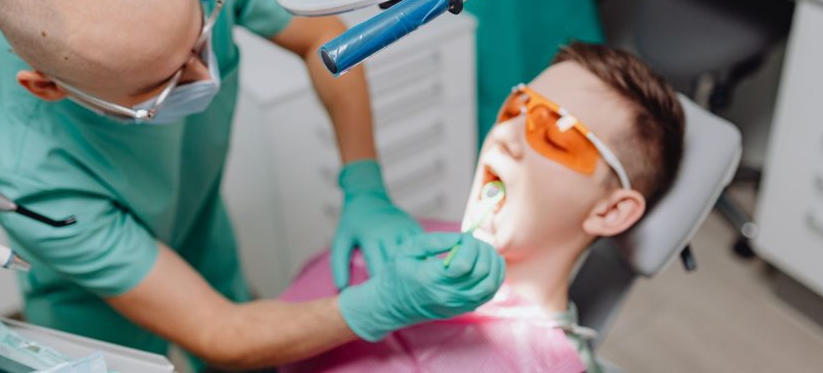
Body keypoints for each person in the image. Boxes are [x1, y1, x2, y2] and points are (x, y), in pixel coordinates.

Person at [0, 0, 504, 371]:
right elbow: (218, 331)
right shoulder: (22, 172)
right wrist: (380, 304)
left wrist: (364, 182)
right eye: (166, 80)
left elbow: (321, 41)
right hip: (88, 298)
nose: (203, 76)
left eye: (200, 40)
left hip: (197, 215)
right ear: (48, 89)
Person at [279, 42, 686, 373]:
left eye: (556, 133)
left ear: (610, 212)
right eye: (516, 107)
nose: (504, 133)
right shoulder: (412, 241)